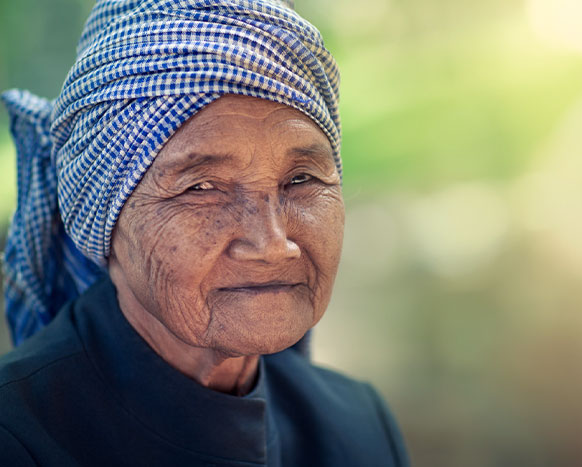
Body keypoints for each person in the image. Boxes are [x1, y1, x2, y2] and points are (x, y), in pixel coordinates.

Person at [0, 1, 410, 465]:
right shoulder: (16, 439)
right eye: (202, 188)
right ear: (103, 217)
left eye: (301, 179)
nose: (274, 243)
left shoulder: (357, 423)